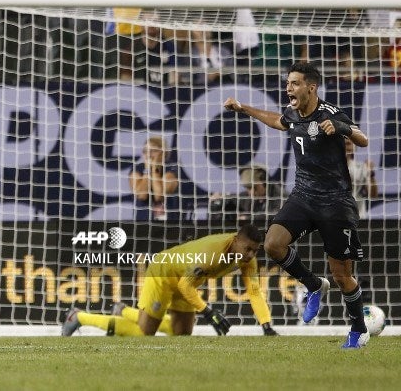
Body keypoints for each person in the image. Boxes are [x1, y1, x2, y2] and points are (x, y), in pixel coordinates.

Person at [223, 61, 371, 348]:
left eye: (294, 83)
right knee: (272, 244)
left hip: (335, 203)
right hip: (303, 197)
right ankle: (314, 284)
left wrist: (341, 127)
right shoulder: (293, 113)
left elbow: (362, 139)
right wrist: (244, 108)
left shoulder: (329, 113)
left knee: (342, 276)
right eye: (288, 82)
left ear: (310, 87)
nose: (288, 87)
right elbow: (278, 121)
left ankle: (358, 329)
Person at [63, 224, 276, 337]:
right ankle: (79, 317)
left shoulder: (248, 260)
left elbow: (255, 292)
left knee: (181, 333)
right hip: (164, 273)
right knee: (145, 332)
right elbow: (185, 285)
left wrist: (266, 326)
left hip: (186, 281)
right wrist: (208, 311)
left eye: (254, 251)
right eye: (247, 249)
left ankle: (124, 312)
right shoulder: (212, 253)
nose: (250, 255)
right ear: (236, 240)